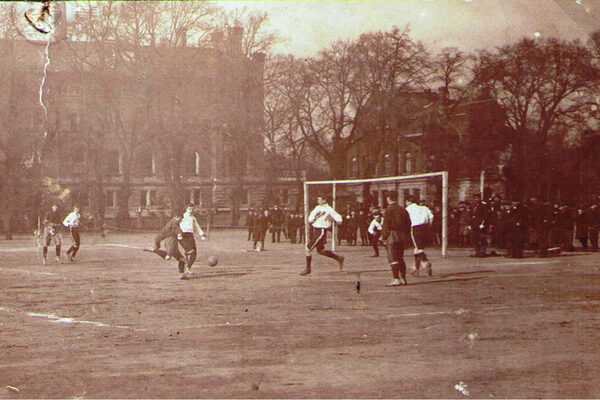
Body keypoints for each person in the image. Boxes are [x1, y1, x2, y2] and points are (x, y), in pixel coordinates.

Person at [300, 196, 344, 276]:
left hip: (321, 230)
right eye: (317, 199)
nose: (318, 201)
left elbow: (338, 217)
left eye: (320, 199)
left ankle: (308, 268)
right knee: (320, 251)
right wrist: (311, 219)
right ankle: (338, 258)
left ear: (324, 199)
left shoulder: (329, 209)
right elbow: (311, 217)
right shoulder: (317, 207)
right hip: (315, 229)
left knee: (307, 248)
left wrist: (338, 221)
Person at [381, 191, 412, 286]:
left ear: (388, 198)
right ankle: (403, 278)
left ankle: (395, 278)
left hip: (392, 234)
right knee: (400, 257)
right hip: (402, 235)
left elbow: (386, 225)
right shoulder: (403, 209)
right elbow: (409, 223)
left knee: (393, 257)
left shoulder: (389, 210)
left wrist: (384, 236)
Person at [405, 196, 434, 276]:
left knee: (419, 248)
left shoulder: (408, 209)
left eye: (406, 202)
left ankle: (425, 262)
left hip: (415, 228)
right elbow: (431, 217)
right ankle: (416, 268)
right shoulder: (424, 208)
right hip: (425, 228)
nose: (406, 204)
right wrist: (428, 226)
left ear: (408, 201)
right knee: (417, 248)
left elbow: (405, 220)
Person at [179, 204, 206, 278]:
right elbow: (176, 224)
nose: (191, 211)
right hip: (183, 235)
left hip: (190, 235)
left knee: (194, 253)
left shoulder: (193, 218)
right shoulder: (182, 216)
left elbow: (197, 227)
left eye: (192, 209)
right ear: (186, 209)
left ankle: (188, 268)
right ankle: (183, 270)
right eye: (189, 209)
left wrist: (202, 234)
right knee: (189, 251)